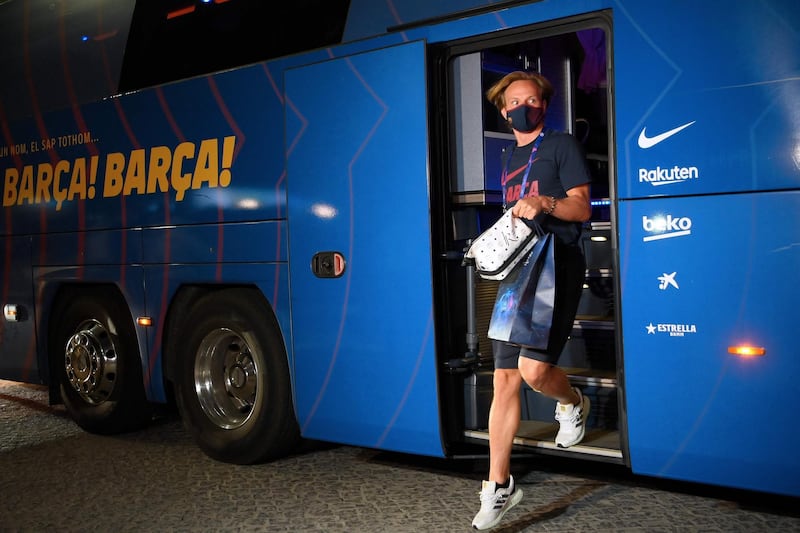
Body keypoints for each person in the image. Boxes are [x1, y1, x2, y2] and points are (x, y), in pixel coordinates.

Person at [471, 71, 593, 530]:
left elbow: (582, 207)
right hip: (516, 270)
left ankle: (573, 402)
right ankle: (498, 485)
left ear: (544, 103)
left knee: (534, 371)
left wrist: (544, 203)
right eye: (515, 101)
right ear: (504, 112)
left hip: (556, 265)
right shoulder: (507, 156)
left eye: (532, 98)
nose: (524, 105)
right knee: (504, 379)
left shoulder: (561, 145)